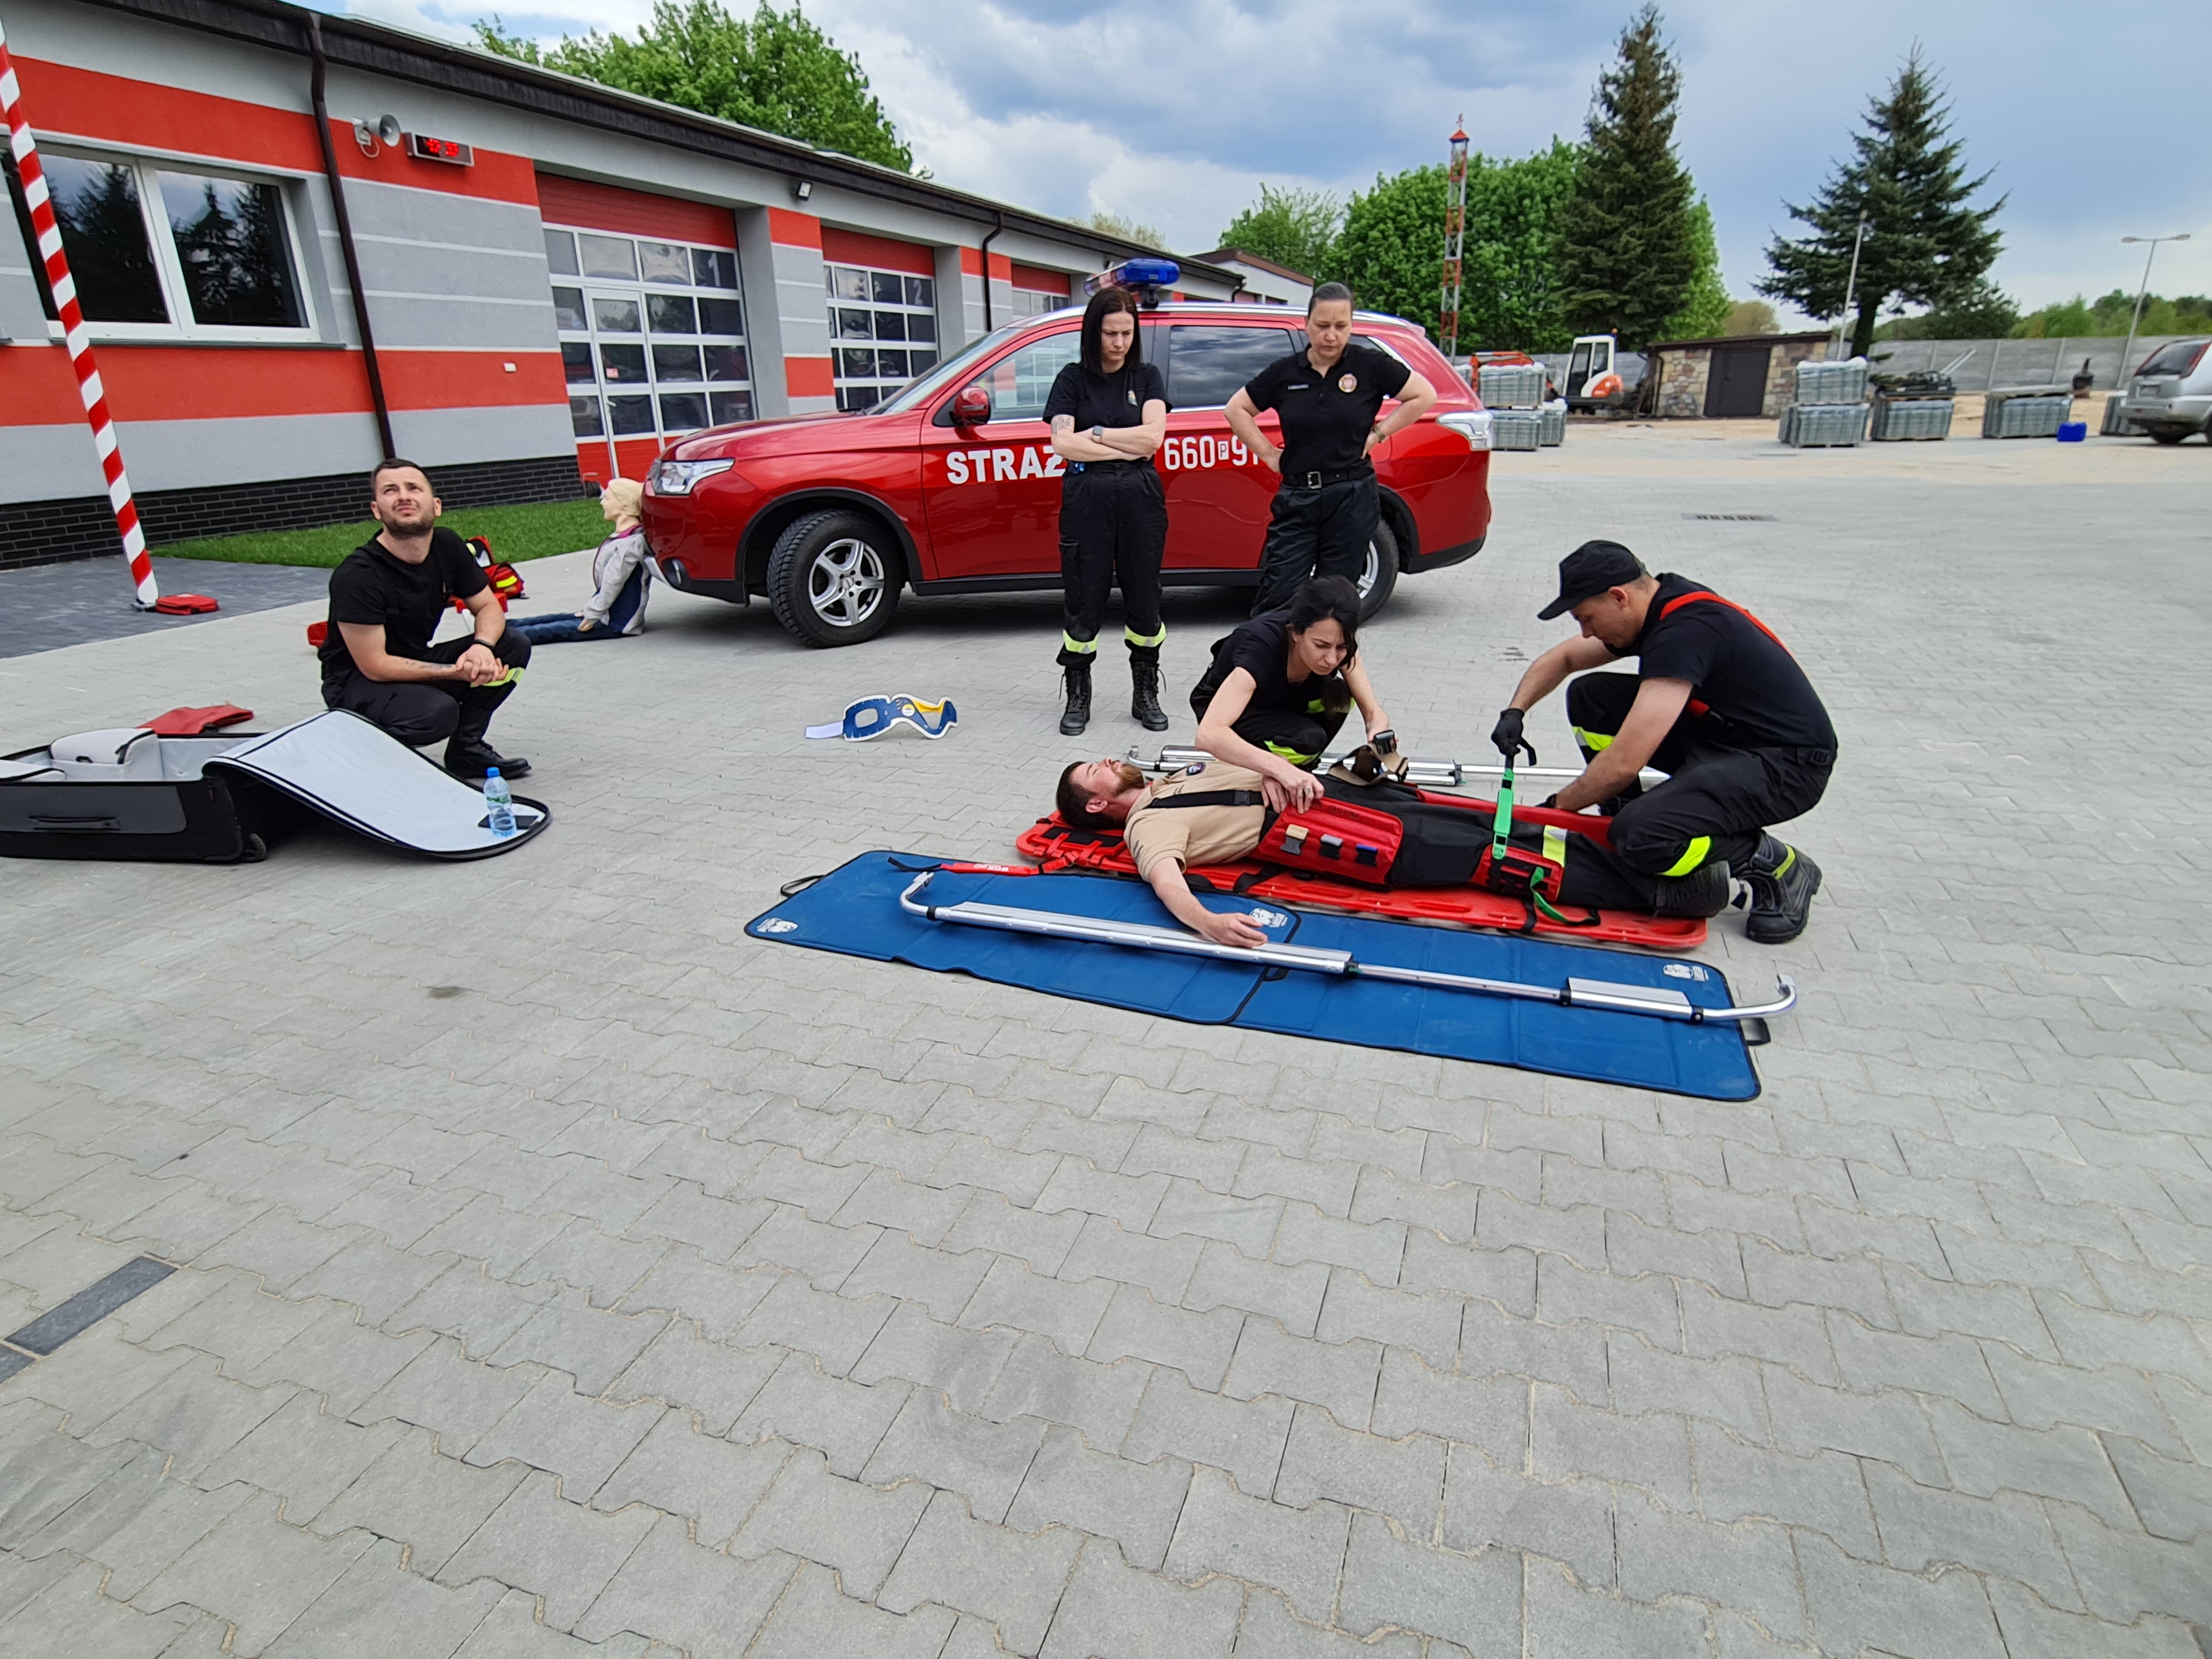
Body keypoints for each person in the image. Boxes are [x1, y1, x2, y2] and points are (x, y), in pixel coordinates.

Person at [1491, 540, 1837, 943]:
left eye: (1586, 618)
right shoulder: (1655, 605)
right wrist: (1515, 711)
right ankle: (1633, 811)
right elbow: (1564, 660)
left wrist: (1553, 812)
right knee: (1592, 697)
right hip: (1730, 738)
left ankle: (1776, 865)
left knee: (1638, 836)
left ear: (1618, 597)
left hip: (1788, 766)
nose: (1586, 632)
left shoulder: (1683, 632)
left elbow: (1624, 763)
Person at [1053, 753, 1726, 949]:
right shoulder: (1147, 826)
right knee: (1498, 861)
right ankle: (1668, 891)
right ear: (1096, 806)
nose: (1106, 762)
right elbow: (1165, 881)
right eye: (1094, 773)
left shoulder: (1177, 775)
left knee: (1498, 827)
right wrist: (1208, 923)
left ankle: (1644, 854)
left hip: (1341, 801)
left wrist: (1282, 769)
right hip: (1340, 838)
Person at [1224, 281, 1437, 616]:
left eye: (1341, 326)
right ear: (1307, 324)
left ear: (1352, 326)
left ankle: (1330, 652)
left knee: (1336, 601)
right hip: (1299, 497)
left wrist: (1378, 434)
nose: (1331, 336)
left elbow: (1424, 395)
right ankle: (1273, 651)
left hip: (1351, 496)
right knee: (1278, 595)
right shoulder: (1285, 373)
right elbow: (1236, 409)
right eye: (1323, 325)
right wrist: (1268, 454)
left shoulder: (1371, 366)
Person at [319, 458, 531, 780]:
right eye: (391, 491)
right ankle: (353, 758)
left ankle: (466, 749)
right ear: (376, 510)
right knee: (436, 714)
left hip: (413, 659)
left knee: (512, 644)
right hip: (355, 681)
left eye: (413, 488)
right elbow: (375, 665)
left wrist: (482, 648)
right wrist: (455, 672)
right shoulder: (358, 575)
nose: (404, 496)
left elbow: (488, 606)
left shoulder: (446, 546)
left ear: (436, 506)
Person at [1044, 288, 1171, 735]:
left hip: (1140, 496)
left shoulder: (1147, 377)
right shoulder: (1072, 380)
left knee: (1145, 597)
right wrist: (1123, 441)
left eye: (1126, 333)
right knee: (1084, 597)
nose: (1119, 343)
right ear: (1093, 332)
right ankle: (1078, 693)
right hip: (1087, 499)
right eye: (1110, 333)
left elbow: (1153, 439)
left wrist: (1095, 433)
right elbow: (1063, 443)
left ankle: (1145, 693)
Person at [1188, 576, 1390, 811]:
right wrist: (1276, 769)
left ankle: (1295, 765)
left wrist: (1378, 733)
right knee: (1309, 739)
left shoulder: (1337, 643)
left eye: (1341, 647)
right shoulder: (1260, 649)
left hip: (1280, 701)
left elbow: (1374, 712)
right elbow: (1208, 734)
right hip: (1232, 709)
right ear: (1296, 633)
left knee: (1340, 696)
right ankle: (1265, 764)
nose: (1332, 659)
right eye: (1321, 646)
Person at [506, 478, 656, 645]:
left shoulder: (631, 543)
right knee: (552, 620)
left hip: (617, 623)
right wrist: (591, 610)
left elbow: (613, 582)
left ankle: (502, 638)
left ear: (625, 506)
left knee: (548, 631)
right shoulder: (625, 538)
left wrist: (593, 614)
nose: (602, 502)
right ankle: (501, 626)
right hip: (605, 614)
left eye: (607, 498)